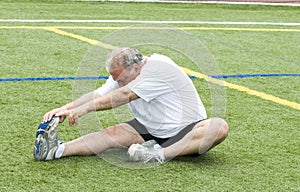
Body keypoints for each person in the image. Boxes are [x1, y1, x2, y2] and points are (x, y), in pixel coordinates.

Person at [34, 47, 229, 163]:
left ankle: (157, 155)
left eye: (121, 79)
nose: (118, 83)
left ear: (136, 68)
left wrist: (84, 109)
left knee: (219, 127)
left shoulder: (159, 68)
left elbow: (124, 95)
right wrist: (67, 109)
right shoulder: (125, 73)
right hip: (151, 127)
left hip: (186, 130)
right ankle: (56, 151)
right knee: (111, 133)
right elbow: (100, 93)